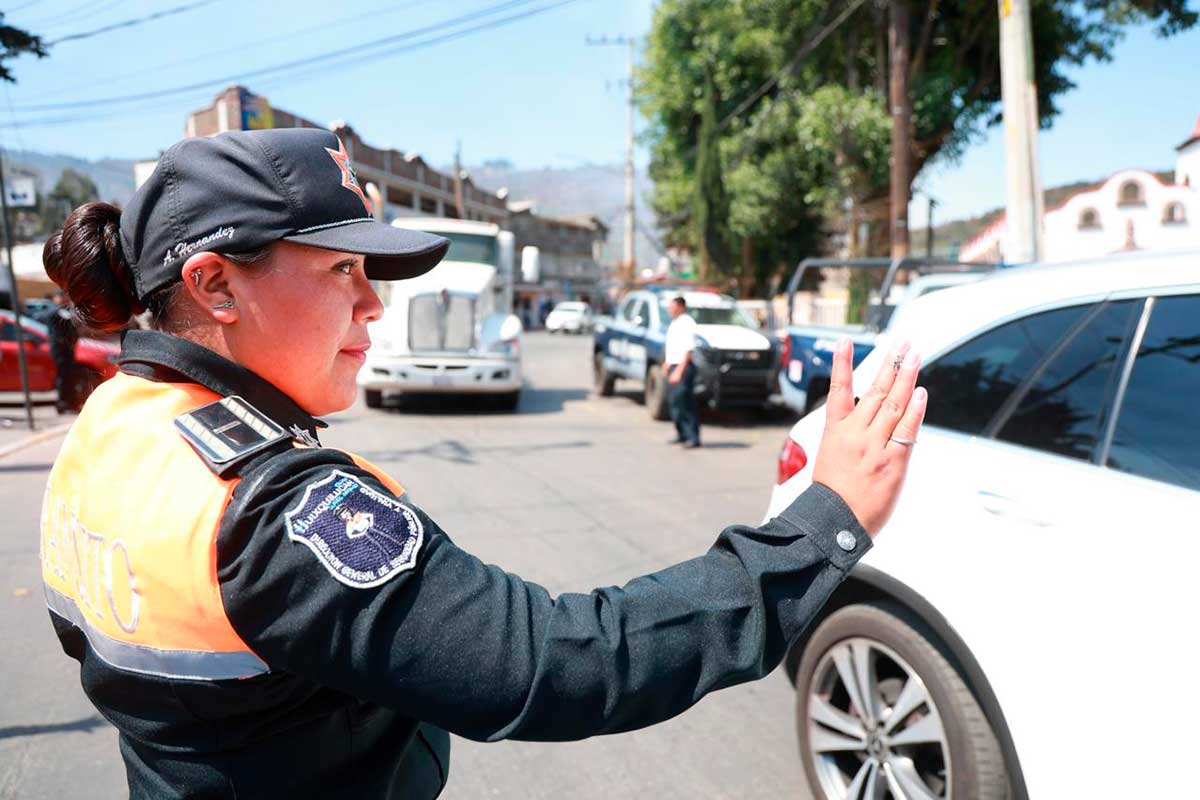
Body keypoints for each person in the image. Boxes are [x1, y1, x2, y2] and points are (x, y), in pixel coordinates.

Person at [39, 128, 927, 800]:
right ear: (216, 286)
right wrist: (820, 524)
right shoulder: (272, 508)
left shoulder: (111, 425)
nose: (374, 306)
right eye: (342, 270)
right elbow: (563, 662)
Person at [664, 295, 701, 447]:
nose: (669, 310)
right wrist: (667, 363)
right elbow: (673, 346)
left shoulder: (687, 323)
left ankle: (692, 436)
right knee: (675, 403)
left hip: (683, 368)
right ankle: (682, 434)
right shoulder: (675, 323)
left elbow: (688, 350)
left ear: (680, 307)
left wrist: (679, 371)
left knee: (685, 403)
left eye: (672, 307)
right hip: (674, 365)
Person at [45, 289, 80, 413]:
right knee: (63, 377)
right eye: (61, 296)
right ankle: (63, 404)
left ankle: (70, 403)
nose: (64, 298)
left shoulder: (66, 311)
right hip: (60, 350)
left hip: (68, 349)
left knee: (69, 376)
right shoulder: (54, 312)